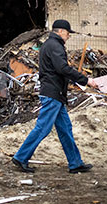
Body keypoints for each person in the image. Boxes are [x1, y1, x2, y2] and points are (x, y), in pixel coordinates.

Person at [12, 19, 98, 174]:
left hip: (55, 94)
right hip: (53, 94)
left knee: (65, 129)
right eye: (68, 33)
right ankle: (21, 157)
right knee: (43, 128)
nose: (69, 36)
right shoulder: (55, 46)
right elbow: (62, 68)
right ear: (60, 32)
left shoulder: (49, 45)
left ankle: (75, 163)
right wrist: (86, 80)